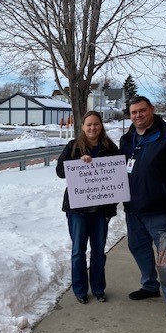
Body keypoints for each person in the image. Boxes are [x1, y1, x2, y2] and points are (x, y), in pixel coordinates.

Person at [120, 96, 166, 318]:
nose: (138, 115)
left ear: (152, 109)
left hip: (160, 208)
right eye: (133, 112)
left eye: (142, 110)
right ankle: (150, 286)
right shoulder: (127, 139)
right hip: (134, 208)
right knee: (138, 248)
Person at [56, 110, 119, 304]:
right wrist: (77, 162)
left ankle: (99, 288)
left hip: (101, 209)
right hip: (77, 209)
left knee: (99, 251)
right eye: (89, 125)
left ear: (101, 126)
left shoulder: (110, 147)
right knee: (78, 251)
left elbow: (119, 173)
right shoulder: (73, 146)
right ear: (83, 127)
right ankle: (80, 289)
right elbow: (60, 171)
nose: (93, 128)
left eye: (96, 124)